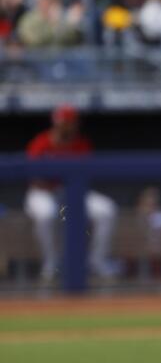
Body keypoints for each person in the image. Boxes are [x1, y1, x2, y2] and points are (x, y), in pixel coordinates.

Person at [25, 105, 117, 282]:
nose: (67, 126)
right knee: (46, 215)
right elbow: (33, 177)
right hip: (43, 193)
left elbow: (88, 174)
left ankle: (97, 261)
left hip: (73, 193)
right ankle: (51, 263)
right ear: (56, 124)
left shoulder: (81, 144)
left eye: (70, 123)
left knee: (107, 210)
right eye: (64, 123)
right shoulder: (41, 143)